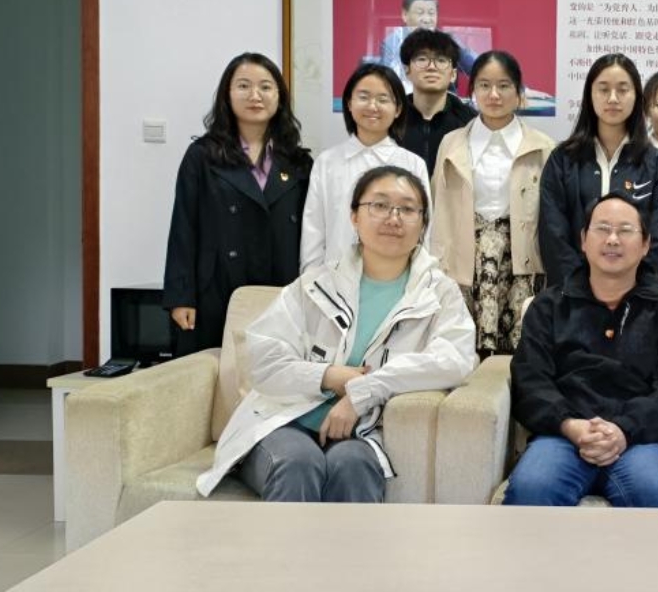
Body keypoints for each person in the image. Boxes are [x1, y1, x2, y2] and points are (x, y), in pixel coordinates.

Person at [198, 165, 477, 501]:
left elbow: (455, 359)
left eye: (407, 209)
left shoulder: (439, 292)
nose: (394, 218)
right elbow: (264, 361)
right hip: (284, 421)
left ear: (423, 223)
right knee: (298, 463)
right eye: (379, 205)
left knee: (354, 467)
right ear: (354, 216)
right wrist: (329, 376)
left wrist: (364, 391)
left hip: (363, 429)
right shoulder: (315, 285)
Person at [505, 192, 658, 507]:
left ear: (646, 244)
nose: (612, 239)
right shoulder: (549, 306)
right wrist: (572, 426)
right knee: (532, 488)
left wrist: (623, 430)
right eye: (602, 228)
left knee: (656, 493)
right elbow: (530, 380)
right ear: (583, 239)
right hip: (563, 436)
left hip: (638, 440)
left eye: (625, 230)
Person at [164, 53, 312, 355]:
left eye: (266, 87)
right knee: (214, 371)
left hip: (281, 287)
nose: (255, 95)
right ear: (227, 94)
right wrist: (181, 296)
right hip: (216, 287)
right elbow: (183, 228)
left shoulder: (298, 162)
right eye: (243, 86)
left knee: (275, 372)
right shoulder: (202, 155)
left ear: (280, 97)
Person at [430, 51, 555, 356]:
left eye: (504, 85)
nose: (494, 94)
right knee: (460, 353)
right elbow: (437, 208)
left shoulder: (543, 147)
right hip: (463, 263)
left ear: (519, 92)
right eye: (484, 85)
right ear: (472, 90)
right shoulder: (451, 143)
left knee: (520, 354)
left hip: (521, 263)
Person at [539, 53, 658, 286]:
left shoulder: (656, 163)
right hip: (572, 294)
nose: (613, 98)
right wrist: (579, 288)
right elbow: (553, 234)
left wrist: (633, 287)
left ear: (637, 97)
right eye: (603, 89)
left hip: (638, 295)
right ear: (589, 95)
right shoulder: (562, 160)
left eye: (622, 90)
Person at [301, 63, 430, 272]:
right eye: (363, 97)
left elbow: (424, 230)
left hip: (397, 279)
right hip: (334, 279)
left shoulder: (413, 164)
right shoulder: (327, 162)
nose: (372, 106)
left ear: (398, 109)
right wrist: (311, 280)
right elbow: (313, 231)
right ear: (349, 103)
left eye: (383, 99)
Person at [398, 28, 477, 176]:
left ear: (453, 74)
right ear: (407, 70)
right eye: (422, 59)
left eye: (441, 60)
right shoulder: (392, 119)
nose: (431, 67)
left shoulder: (471, 123)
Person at [378, 0, 476, 93]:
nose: (426, 19)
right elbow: (386, 81)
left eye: (431, 13)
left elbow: (477, 66)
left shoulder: (447, 42)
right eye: (420, 13)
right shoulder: (392, 43)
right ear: (405, 15)